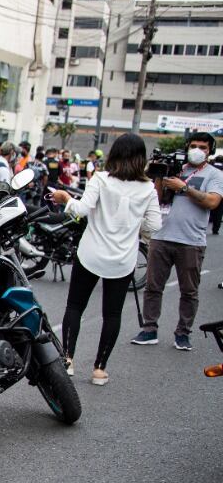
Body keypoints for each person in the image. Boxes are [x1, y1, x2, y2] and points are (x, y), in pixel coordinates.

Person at [51, 134, 161, 385]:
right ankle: (99, 369)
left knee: (75, 307)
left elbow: (81, 211)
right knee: (112, 314)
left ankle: (67, 360)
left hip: (90, 253)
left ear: (114, 154)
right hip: (122, 260)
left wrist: (66, 199)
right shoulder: (148, 189)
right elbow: (154, 225)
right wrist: (135, 225)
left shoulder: (100, 179)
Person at [131, 132, 223, 351]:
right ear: (187, 146)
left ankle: (183, 333)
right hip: (161, 237)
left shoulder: (214, 174)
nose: (198, 150)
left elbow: (212, 201)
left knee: (189, 291)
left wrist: (184, 188)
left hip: (191, 240)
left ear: (210, 151)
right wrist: (159, 175)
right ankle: (149, 329)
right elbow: (156, 198)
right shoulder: (173, 168)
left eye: (203, 146)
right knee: (153, 287)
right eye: (194, 145)